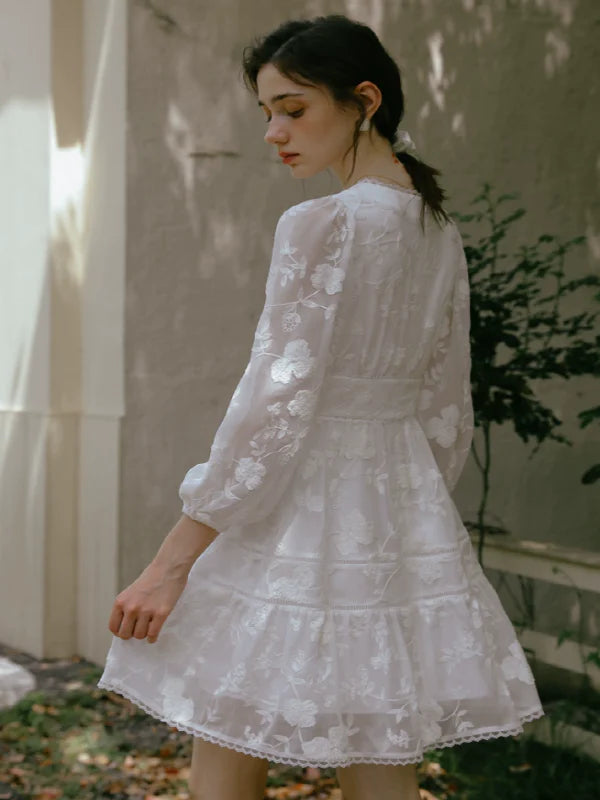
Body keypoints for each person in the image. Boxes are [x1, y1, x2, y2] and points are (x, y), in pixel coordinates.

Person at [97, 14, 545, 800]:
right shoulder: (436, 229)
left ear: (364, 99)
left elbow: (276, 402)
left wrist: (170, 565)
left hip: (295, 506)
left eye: (293, 108)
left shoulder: (324, 222)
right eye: (266, 113)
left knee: (228, 732)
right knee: (378, 746)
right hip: (395, 511)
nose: (274, 132)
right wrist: (413, 511)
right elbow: (446, 404)